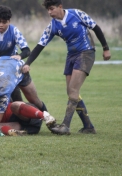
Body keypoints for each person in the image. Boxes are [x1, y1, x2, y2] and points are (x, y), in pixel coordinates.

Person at [22, 0, 111, 135]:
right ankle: (88, 127)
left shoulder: (77, 14)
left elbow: (96, 28)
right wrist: (28, 63)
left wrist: (106, 48)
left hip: (86, 52)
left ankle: (65, 126)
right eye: (48, 10)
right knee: (71, 92)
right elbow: (40, 45)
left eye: (52, 9)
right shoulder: (52, 26)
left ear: (60, 7)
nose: (49, 12)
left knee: (73, 90)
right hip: (71, 55)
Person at [0, 5, 53, 131]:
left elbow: (26, 50)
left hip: (15, 71)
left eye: (4, 22)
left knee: (33, 99)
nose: (1, 25)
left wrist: (19, 55)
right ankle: (14, 125)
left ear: (9, 21)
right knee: (1, 99)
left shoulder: (14, 30)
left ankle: (49, 119)